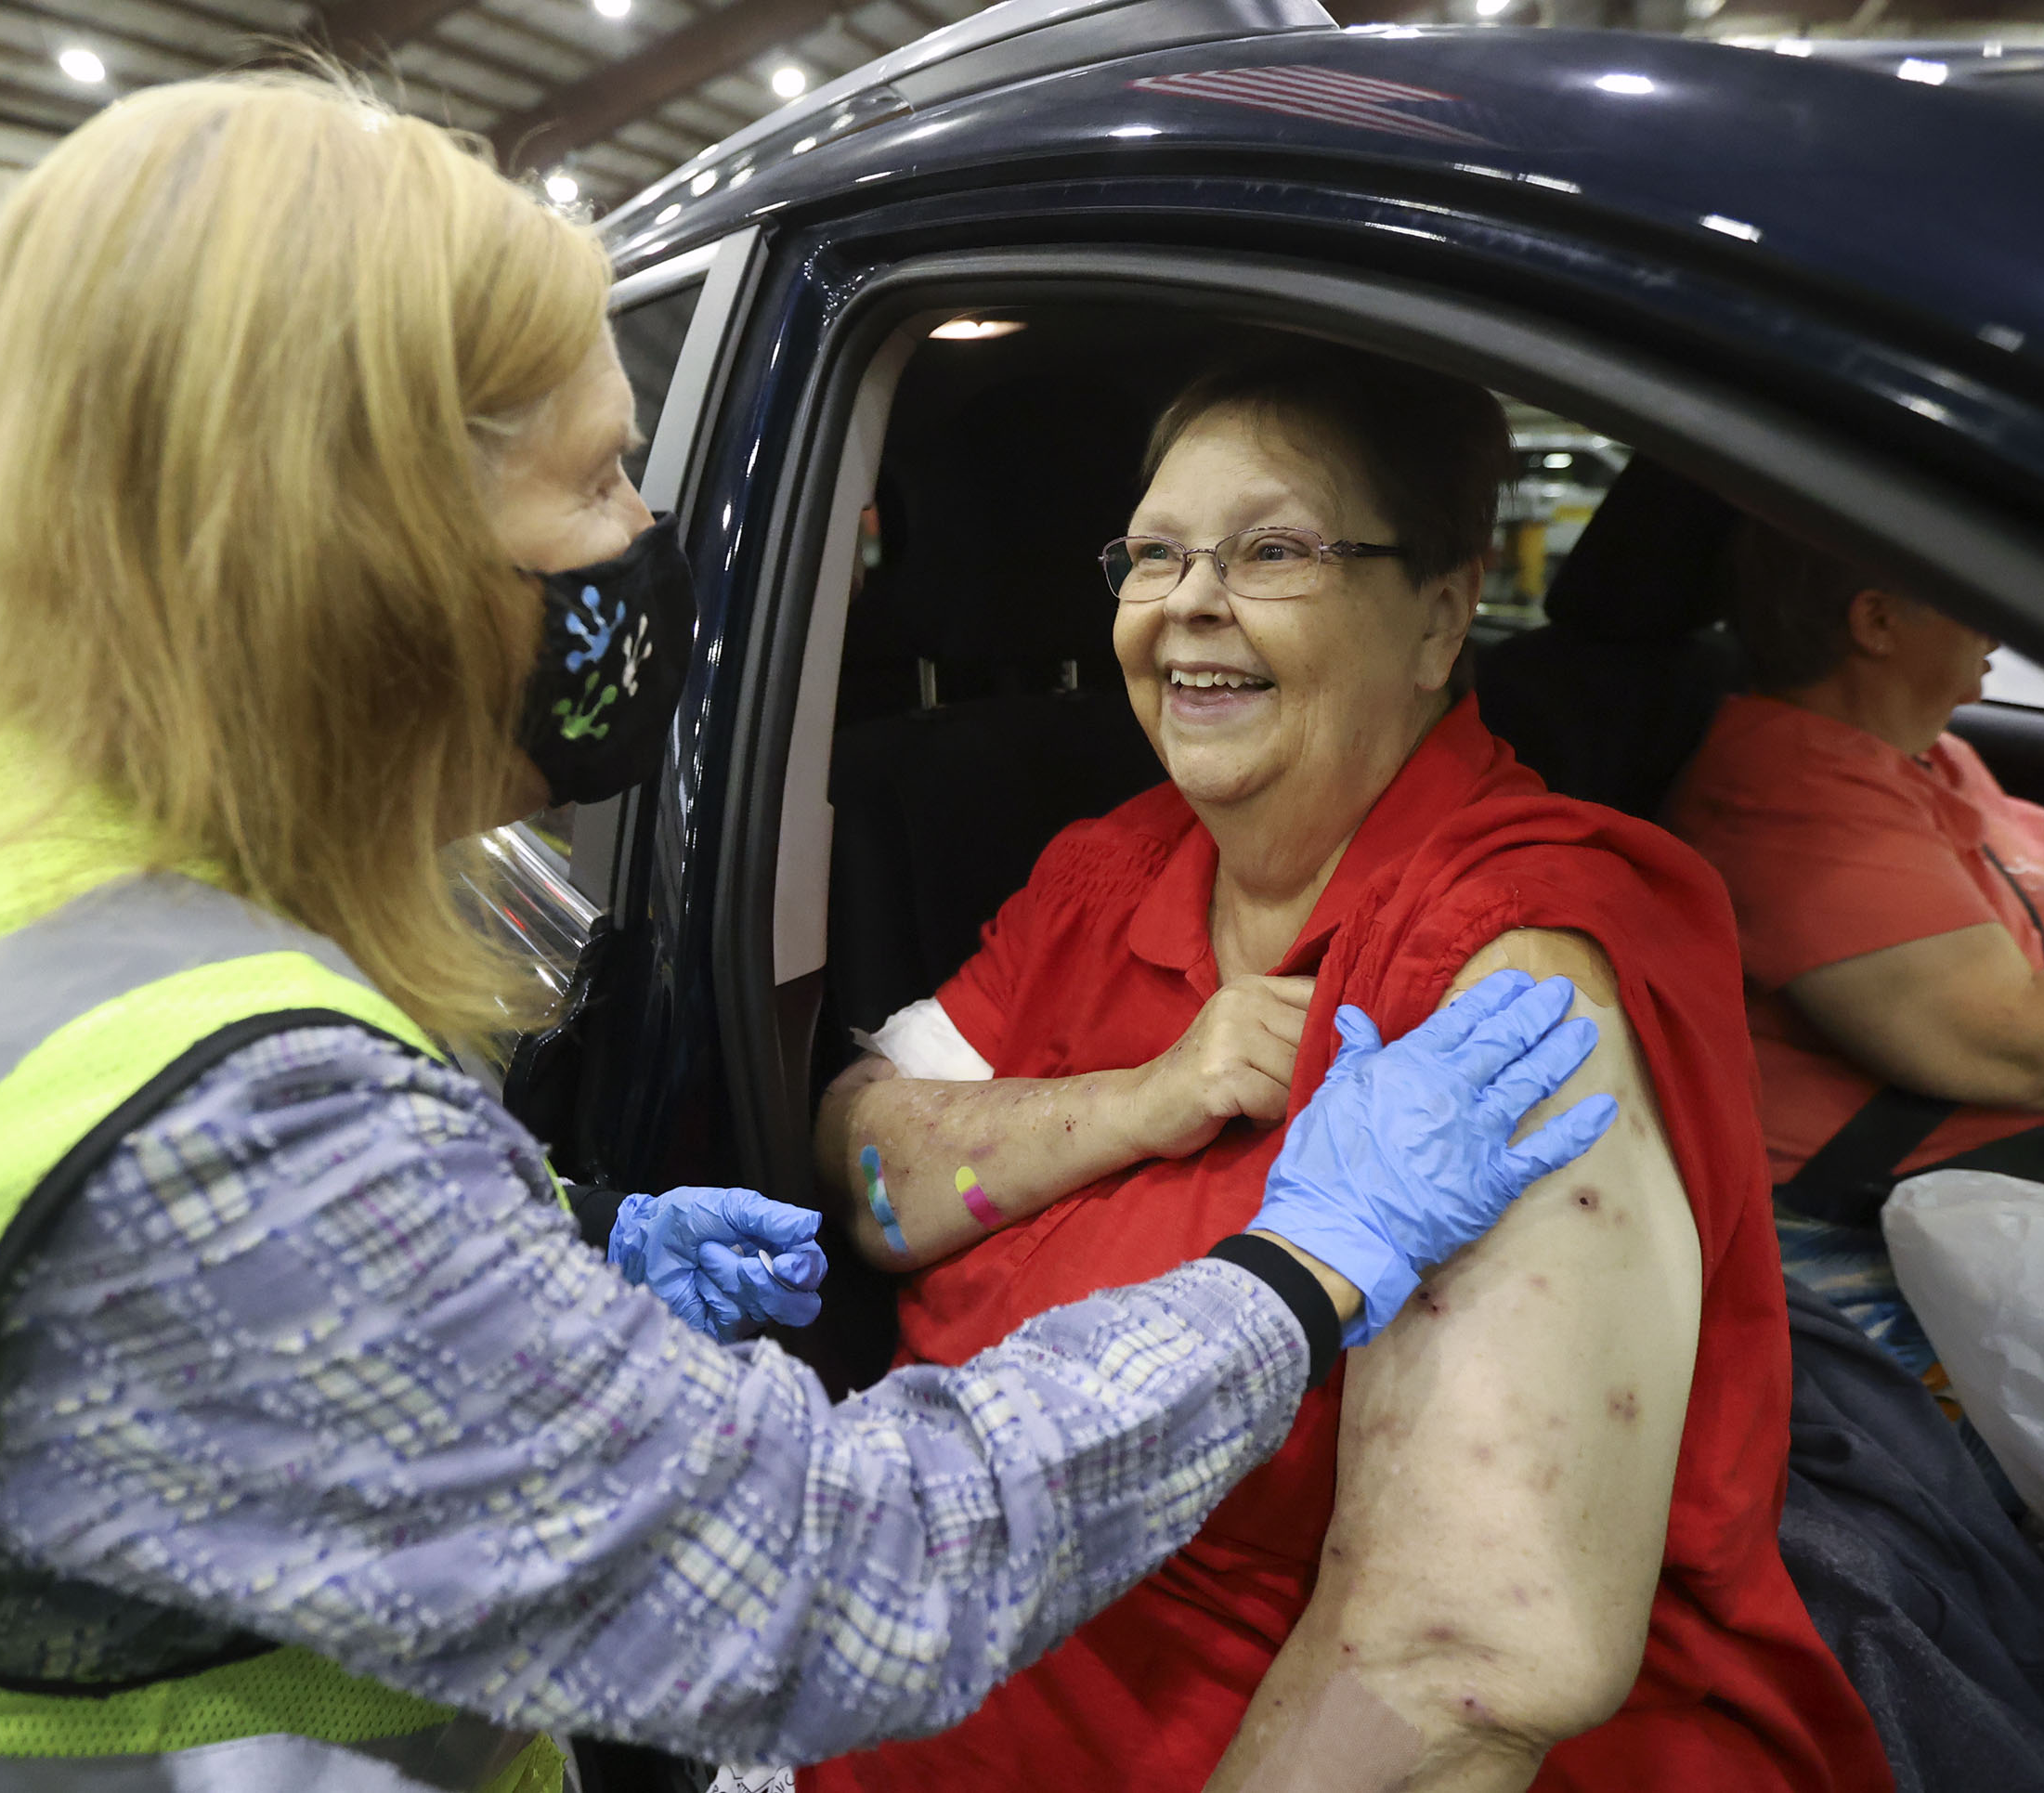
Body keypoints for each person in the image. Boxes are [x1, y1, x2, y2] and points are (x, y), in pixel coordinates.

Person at [0, 76, 1617, 1793]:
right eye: (595, 483)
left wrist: (554, 1277)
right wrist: (1302, 1256)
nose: (647, 554)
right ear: (357, 554)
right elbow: (850, 1574)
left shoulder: (46, 910)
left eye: (1270, 553)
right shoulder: (225, 1121)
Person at [804, 350, 1887, 1793]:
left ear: (1441, 617)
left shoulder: (1509, 972)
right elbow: (869, 1161)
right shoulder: (1107, 866)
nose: (1190, 598)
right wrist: (1143, 1097)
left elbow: (1460, 1672)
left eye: (1272, 549)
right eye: (1155, 553)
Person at [1666, 518, 2044, 1381]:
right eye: (1971, 594)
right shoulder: (1793, 797)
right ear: (1877, 622)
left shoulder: (1917, 755)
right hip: (1971, 1237)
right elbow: (2009, 1038)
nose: (1997, 623)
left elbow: (2017, 914)